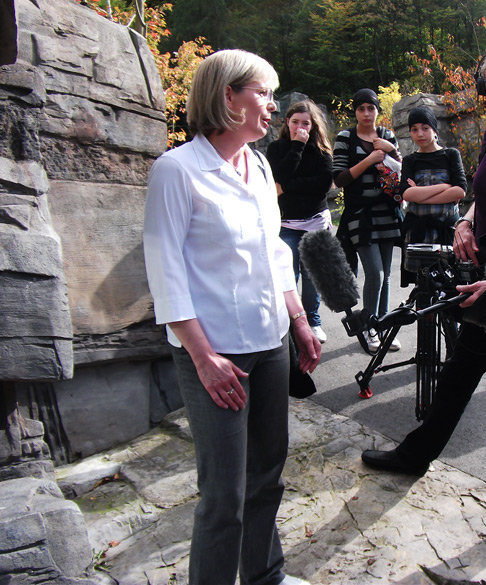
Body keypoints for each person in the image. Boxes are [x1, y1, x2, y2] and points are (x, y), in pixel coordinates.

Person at [143, 49, 320, 585]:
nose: (273, 105)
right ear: (227, 96)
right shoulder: (176, 171)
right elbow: (165, 272)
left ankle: (265, 575)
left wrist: (299, 320)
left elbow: (275, 252)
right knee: (224, 493)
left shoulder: (261, 165)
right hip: (214, 353)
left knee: (267, 478)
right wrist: (204, 357)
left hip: (269, 344)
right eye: (263, 93)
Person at [362, 41, 486, 498]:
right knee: (458, 374)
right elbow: (482, 198)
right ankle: (415, 456)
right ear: (483, 87)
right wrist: (468, 222)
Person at [332, 88, 404, 358]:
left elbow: (400, 170)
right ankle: (368, 326)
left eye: (370, 108)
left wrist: (391, 150)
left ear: (377, 111)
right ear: (355, 112)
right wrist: (370, 159)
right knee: (376, 273)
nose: (366, 113)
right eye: (361, 109)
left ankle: (380, 325)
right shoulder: (345, 138)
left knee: (385, 276)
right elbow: (339, 178)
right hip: (359, 214)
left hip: (387, 211)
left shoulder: (386, 136)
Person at [267, 99, 334, 344]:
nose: (300, 127)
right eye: (295, 122)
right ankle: (291, 322)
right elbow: (277, 177)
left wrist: (286, 187)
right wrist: (296, 147)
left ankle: (313, 321)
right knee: (287, 277)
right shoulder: (277, 149)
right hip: (286, 225)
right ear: (287, 122)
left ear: (313, 125)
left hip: (315, 223)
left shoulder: (321, 151)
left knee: (311, 278)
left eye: (305, 123)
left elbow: (322, 186)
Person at [399, 105, 467, 286]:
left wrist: (419, 194)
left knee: (450, 285)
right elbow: (406, 193)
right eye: (414, 129)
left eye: (425, 128)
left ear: (434, 129)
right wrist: (445, 187)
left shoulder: (451, 155)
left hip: (446, 230)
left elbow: (460, 190)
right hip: (419, 235)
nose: (419, 133)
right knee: (422, 288)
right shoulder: (410, 160)